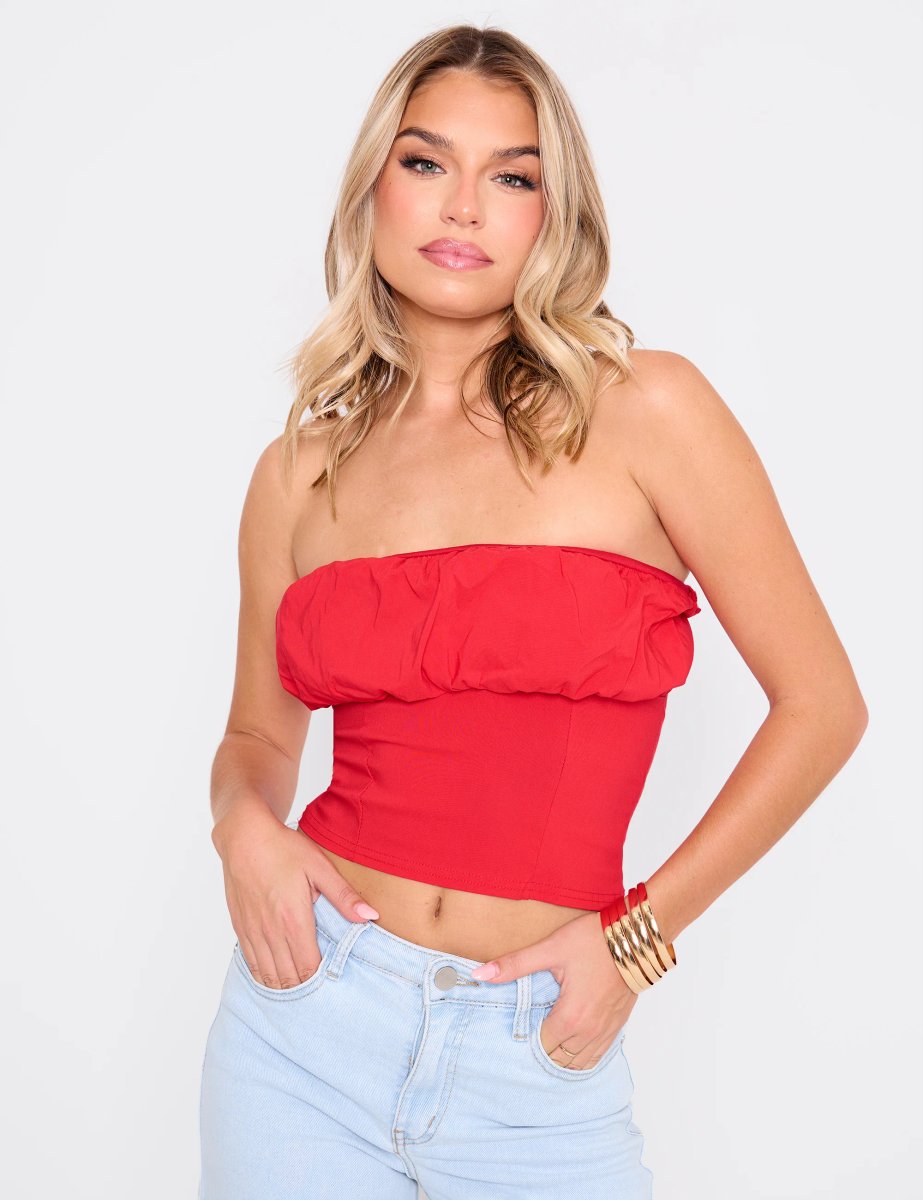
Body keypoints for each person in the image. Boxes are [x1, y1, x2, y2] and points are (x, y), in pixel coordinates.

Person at [197, 23, 868, 1200]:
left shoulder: (647, 411)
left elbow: (822, 707)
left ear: (554, 217)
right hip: (302, 1029)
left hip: (536, 1052)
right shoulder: (297, 474)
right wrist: (240, 826)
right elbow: (258, 736)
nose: (462, 205)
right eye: (424, 162)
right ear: (370, 191)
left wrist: (636, 942)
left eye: (511, 177)